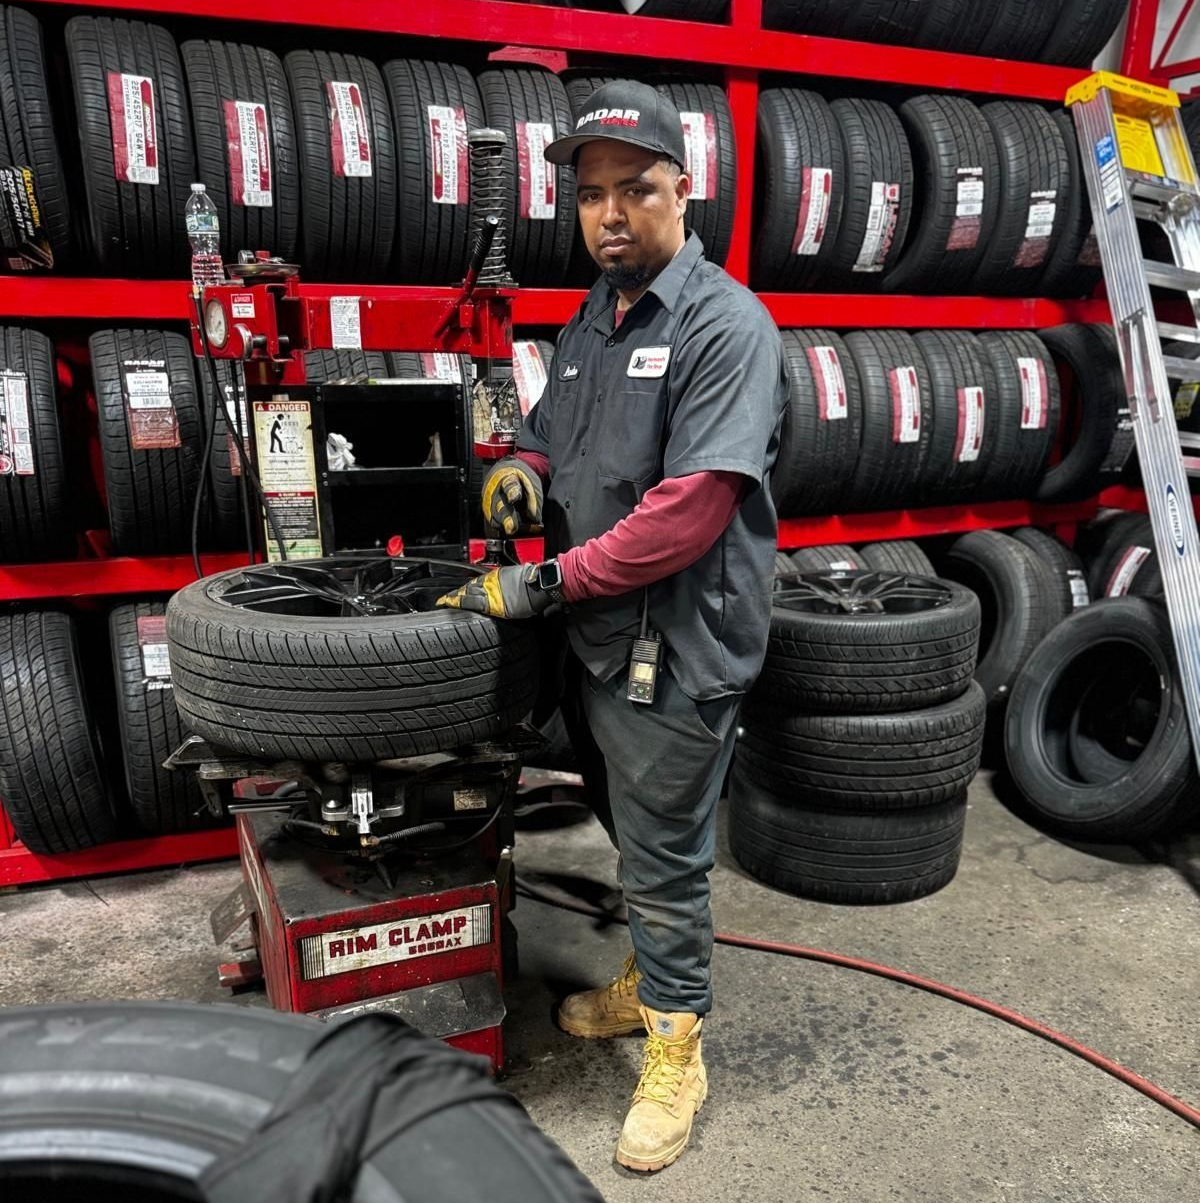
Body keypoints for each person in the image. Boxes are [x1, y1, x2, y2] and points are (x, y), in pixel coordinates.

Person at [438, 79, 787, 1173]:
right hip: (600, 638)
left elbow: (690, 511)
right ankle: (649, 979)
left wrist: (543, 585)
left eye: (635, 189)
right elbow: (549, 434)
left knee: (670, 857)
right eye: (591, 196)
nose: (610, 215)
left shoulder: (727, 326)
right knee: (628, 830)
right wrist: (520, 476)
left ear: (687, 189)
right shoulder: (594, 319)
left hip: (676, 645)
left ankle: (679, 1045)